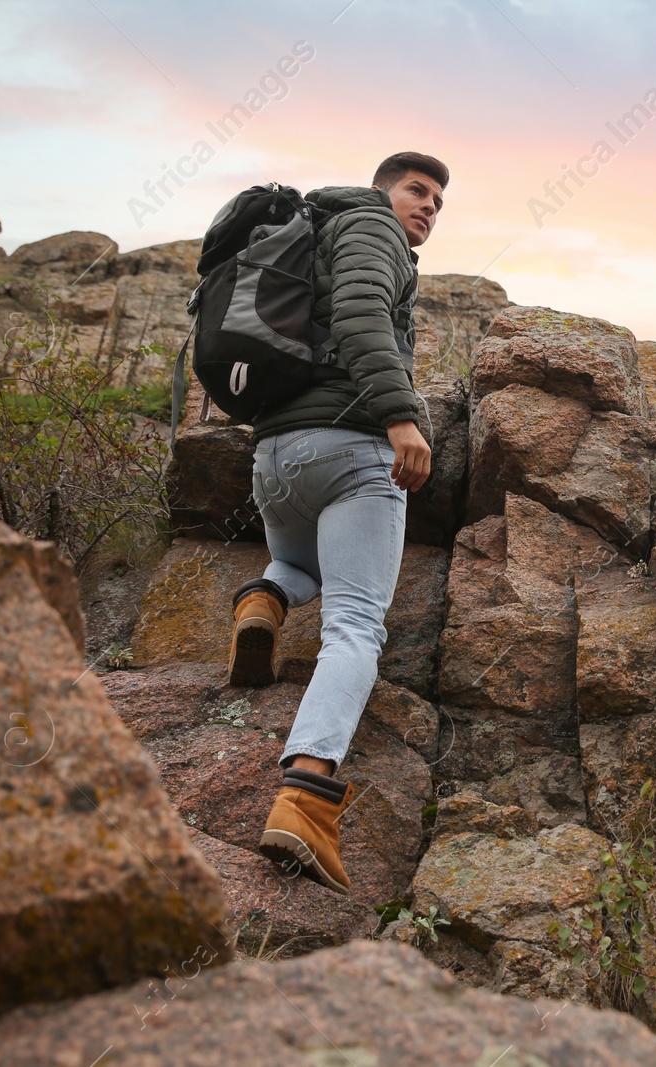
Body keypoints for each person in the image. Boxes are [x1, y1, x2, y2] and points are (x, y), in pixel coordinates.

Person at [225, 151, 445, 894]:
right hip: (351, 451)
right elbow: (358, 317)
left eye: (438, 202)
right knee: (356, 625)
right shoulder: (371, 227)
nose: (429, 208)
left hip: (276, 460)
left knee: (302, 567)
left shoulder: (310, 229)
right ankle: (305, 800)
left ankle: (265, 601)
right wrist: (400, 416)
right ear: (385, 189)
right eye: (419, 191)